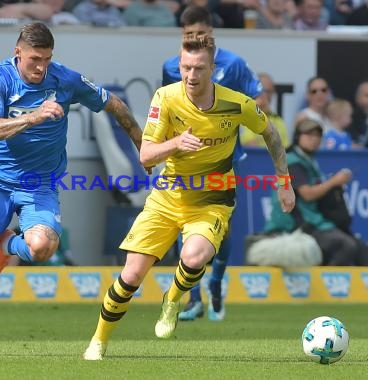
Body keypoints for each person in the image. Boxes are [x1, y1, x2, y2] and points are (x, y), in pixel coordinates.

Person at [0, 22, 144, 356]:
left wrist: (142, 147)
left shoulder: (65, 79)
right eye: (35, 59)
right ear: (18, 54)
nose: (41, 67)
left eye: (47, 59)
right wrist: (34, 116)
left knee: (42, 247)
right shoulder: (1, 79)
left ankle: (5, 245)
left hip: (39, 185)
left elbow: (113, 104)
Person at [83, 35, 294, 360]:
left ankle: (174, 298)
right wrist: (175, 144)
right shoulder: (165, 98)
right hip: (167, 198)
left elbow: (270, 133)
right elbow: (147, 156)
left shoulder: (236, 103)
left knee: (195, 256)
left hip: (213, 198)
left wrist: (284, 180)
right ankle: (98, 341)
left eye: (198, 68)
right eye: (185, 67)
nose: (191, 75)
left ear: (212, 68)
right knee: (132, 276)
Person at [162, 5, 263, 322]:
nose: (194, 39)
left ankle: (217, 282)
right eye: (188, 35)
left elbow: (255, 102)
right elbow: (166, 106)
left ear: (211, 34)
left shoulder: (233, 65)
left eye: (200, 34)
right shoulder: (171, 65)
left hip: (224, 159)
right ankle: (193, 299)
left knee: (221, 230)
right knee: (185, 224)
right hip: (185, 160)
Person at [264, 119, 368, 266]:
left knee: (362, 249)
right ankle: (328, 285)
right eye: (309, 134)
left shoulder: (309, 162)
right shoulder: (292, 162)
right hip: (296, 225)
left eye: (318, 135)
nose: (314, 139)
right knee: (345, 246)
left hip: (315, 223)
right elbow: (307, 194)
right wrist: (334, 181)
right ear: (298, 136)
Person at [241, 72, 289, 148]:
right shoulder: (242, 114)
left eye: (268, 91)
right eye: (261, 90)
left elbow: (285, 150)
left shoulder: (278, 121)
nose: (264, 95)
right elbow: (251, 146)